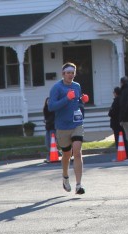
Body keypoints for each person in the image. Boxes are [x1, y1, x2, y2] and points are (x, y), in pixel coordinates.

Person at [47, 62, 88, 195]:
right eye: (68, 73)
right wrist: (66, 98)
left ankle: (79, 185)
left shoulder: (77, 86)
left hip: (76, 123)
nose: (71, 75)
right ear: (63, 74)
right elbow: (51, 106)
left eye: (72, 73)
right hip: (62, 126)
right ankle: (65, 177)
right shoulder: (56, 88)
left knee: (77, 152)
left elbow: (77, 101)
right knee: (66, 154)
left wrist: (83, 100)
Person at [107, 87, 122, 156]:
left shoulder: (116, 101)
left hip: (115, 122)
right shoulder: (122, 100)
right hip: (120, 121)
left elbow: (111, 112)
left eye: (114, 92)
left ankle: (119, 152)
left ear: (116, 93)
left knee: (117, 138)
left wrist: (110, 112)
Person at [43, 96, 57, 162]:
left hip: (53, 128)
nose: (48, 102)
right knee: (47, 143)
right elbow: (46, 118)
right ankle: (54, 154)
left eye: (49, 101)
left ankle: (50, 157)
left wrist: (48, 121)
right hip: (48, 128)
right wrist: (46, 121)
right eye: (47, 101)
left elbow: (54, 118)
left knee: (52, 142)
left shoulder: (53, 109)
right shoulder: (45, 109)